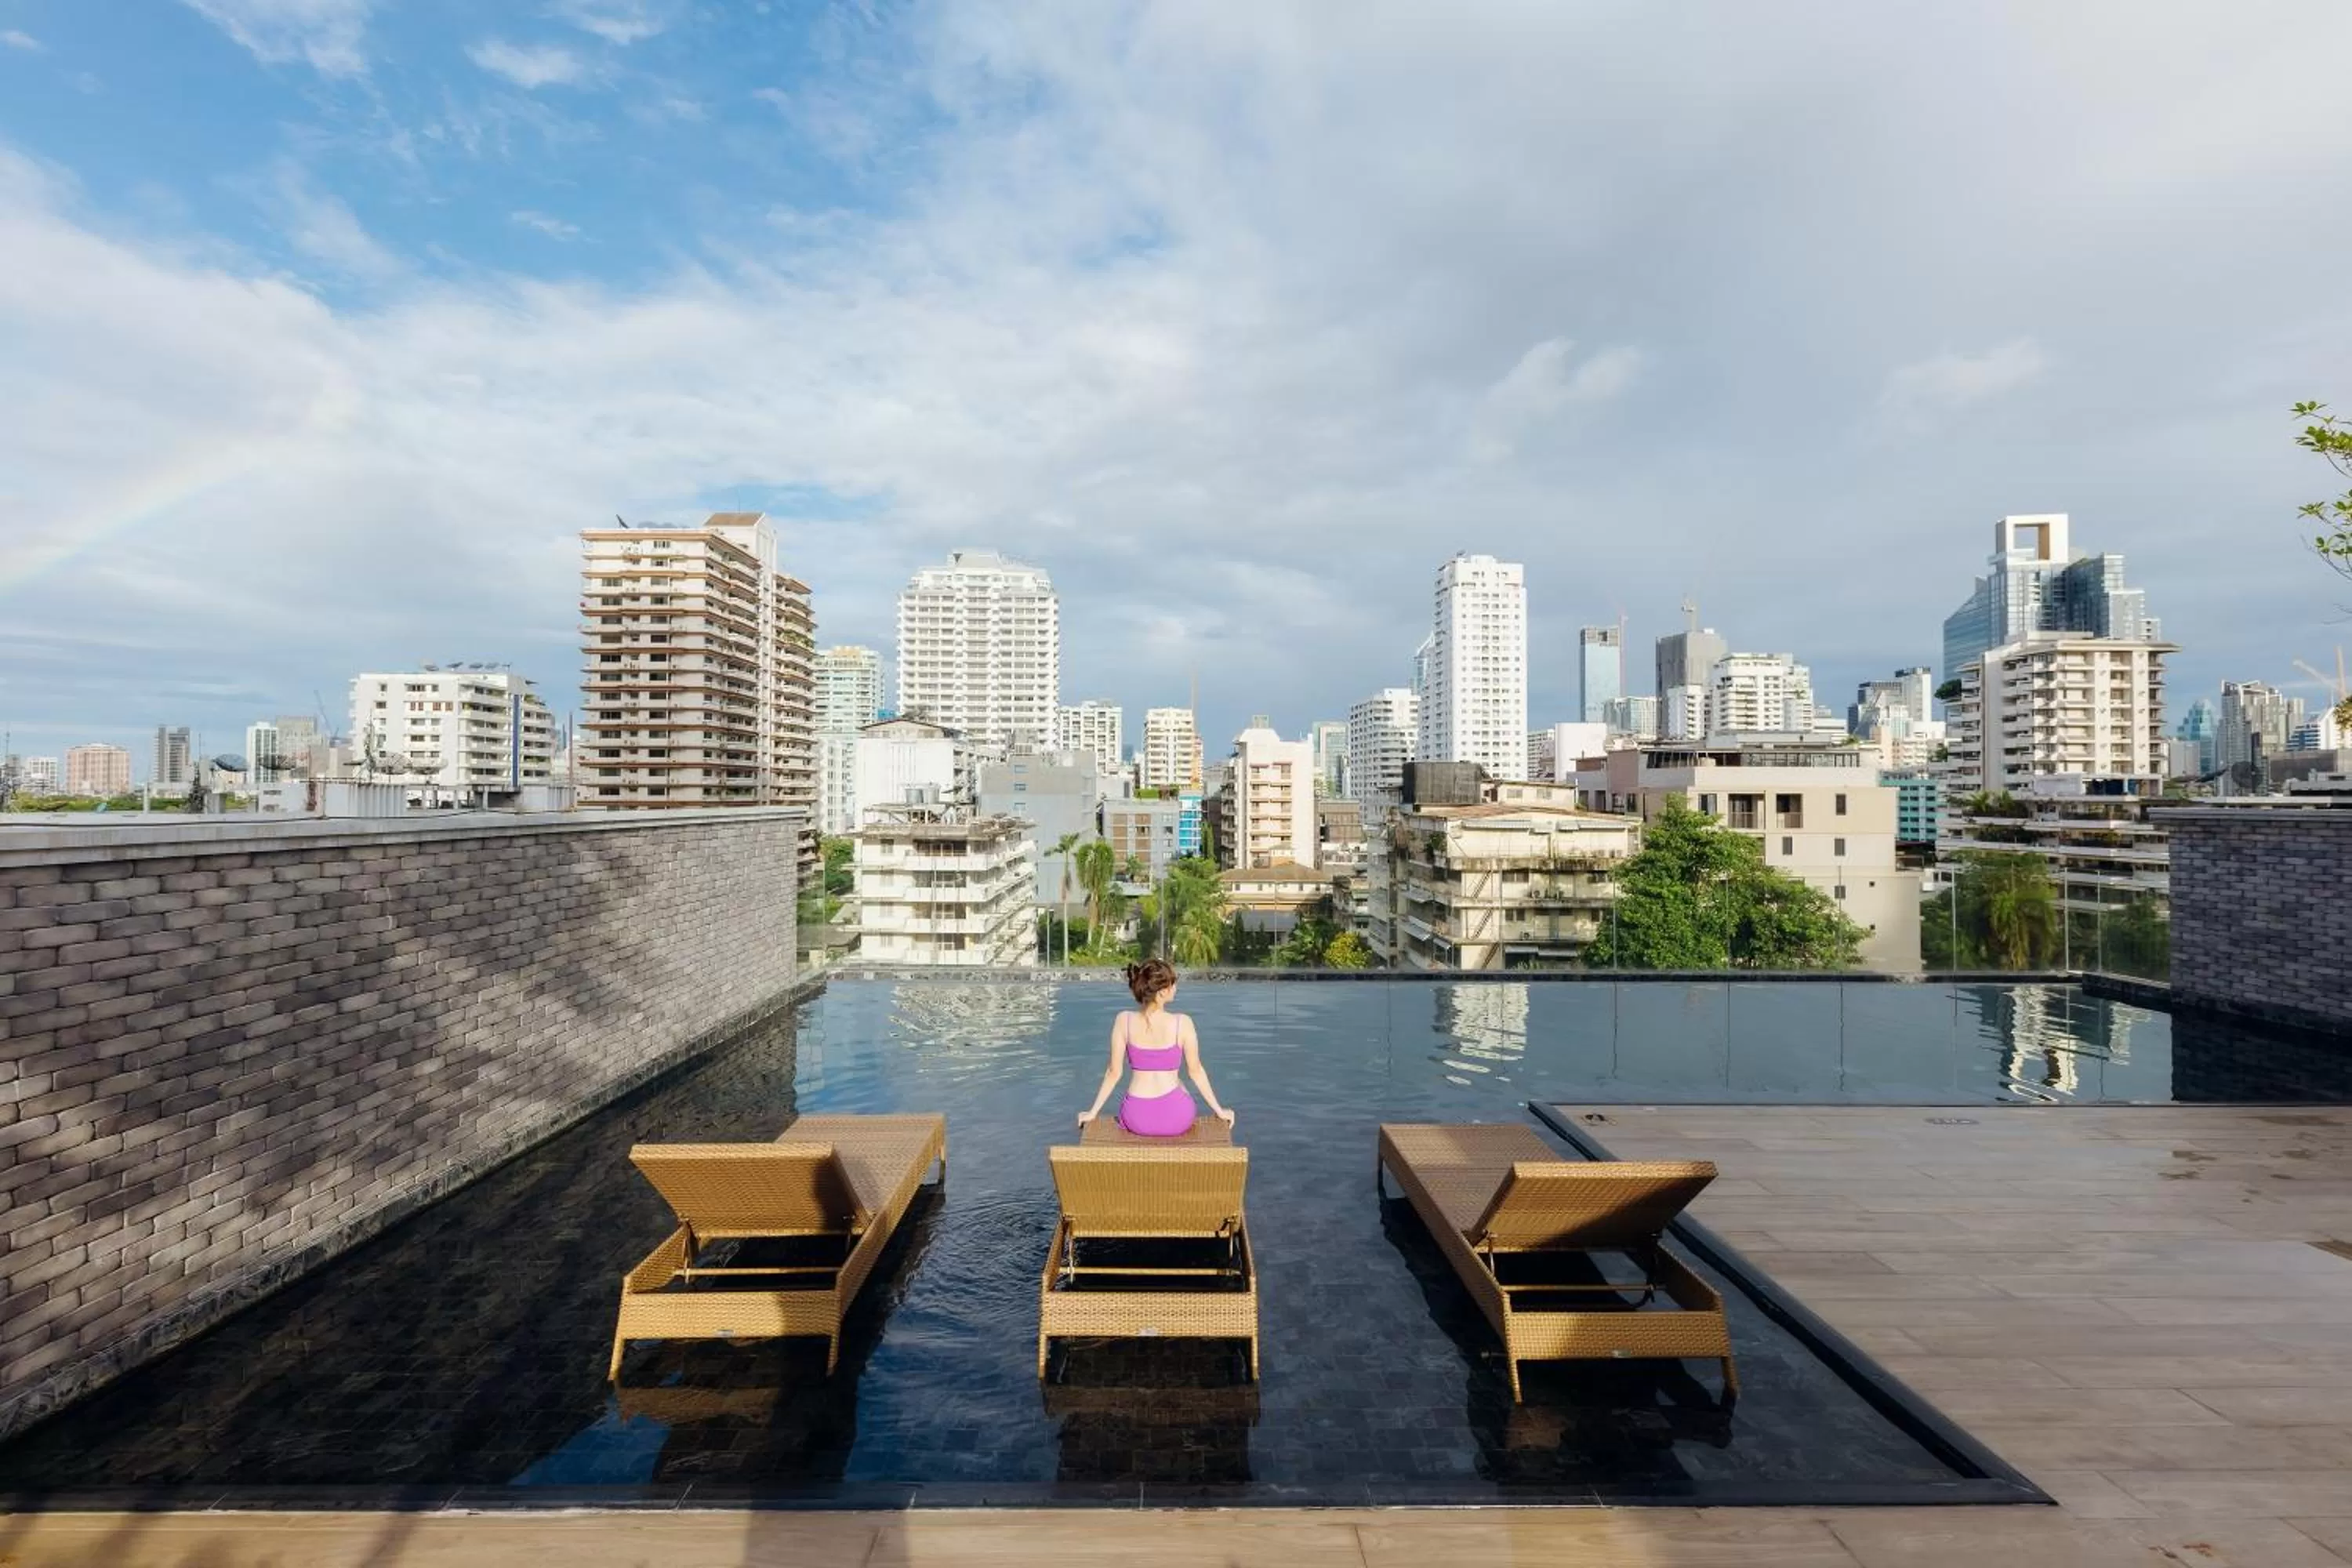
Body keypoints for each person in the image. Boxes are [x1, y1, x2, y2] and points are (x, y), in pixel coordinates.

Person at [1076, 959, 1235, 1138]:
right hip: (1177, 1118)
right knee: (1179, 1082)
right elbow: (1196, 1072)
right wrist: (1220, 1111)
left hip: (1136, 1118)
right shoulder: (1183, 1023)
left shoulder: (1124, 1020)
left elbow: (1114, 1073)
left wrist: (1092, 1113)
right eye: (1173, 984)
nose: (1175, 988)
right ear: (1161, 993)